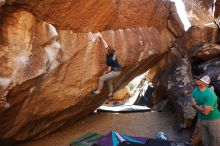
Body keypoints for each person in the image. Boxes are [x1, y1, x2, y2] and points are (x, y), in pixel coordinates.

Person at [192, 75, 220, 146]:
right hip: (201, 118)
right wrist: (200, 107)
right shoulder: (195, 91)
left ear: (204, 82)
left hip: (213, 119)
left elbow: (205, 112)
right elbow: (192, 104)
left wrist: (196, 106)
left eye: (198, 79)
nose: (195, 79)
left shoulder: (210, 94)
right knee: (205, 139)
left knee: (215, 139)